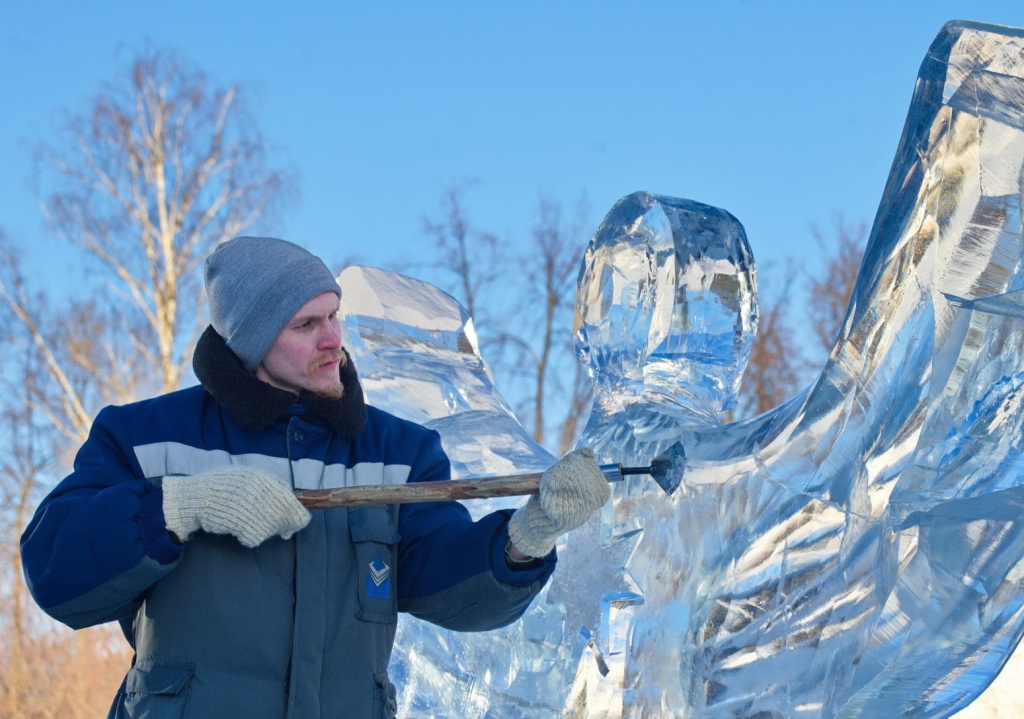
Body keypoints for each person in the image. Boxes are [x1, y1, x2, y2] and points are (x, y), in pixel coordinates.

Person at [19, 236, 610, 719]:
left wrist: (525, 540)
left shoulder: (399, 451)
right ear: (251, 341)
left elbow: (446, 585)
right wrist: (172, 509)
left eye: (334, 316)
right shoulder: (145, 437)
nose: (333, 341)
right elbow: (54, 573)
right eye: (305, 325)